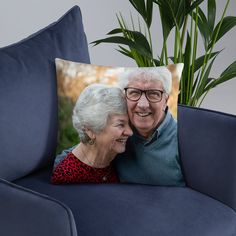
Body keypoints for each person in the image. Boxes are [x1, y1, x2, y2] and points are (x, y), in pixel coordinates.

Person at [54, 66, 185, 186]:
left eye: (153, 94)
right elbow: (87, 147)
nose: (143, 104)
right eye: (134, 92)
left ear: (166, 100)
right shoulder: (123, 128)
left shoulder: (184, 140)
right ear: (125, 96)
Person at [51, 84, 133, 184]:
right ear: (91, 130)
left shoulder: (120, 159)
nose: (130, 132)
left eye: (129, 124)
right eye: (121, 124)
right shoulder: (63, 173)